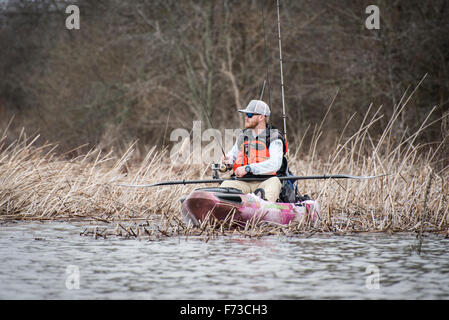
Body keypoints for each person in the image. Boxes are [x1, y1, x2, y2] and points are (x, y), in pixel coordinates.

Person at [220, 99, 287, 202]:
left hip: (266, 181)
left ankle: (262, 205)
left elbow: (275, 164)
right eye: (246, 115)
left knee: (274, 182)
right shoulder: (243, 136)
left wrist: (248, 168)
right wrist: (226, 161)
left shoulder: (274, 138)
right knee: (225, 185)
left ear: (261, 117)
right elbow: (232, 157)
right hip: (242, 182)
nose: (246, 118)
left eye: (250, 115)